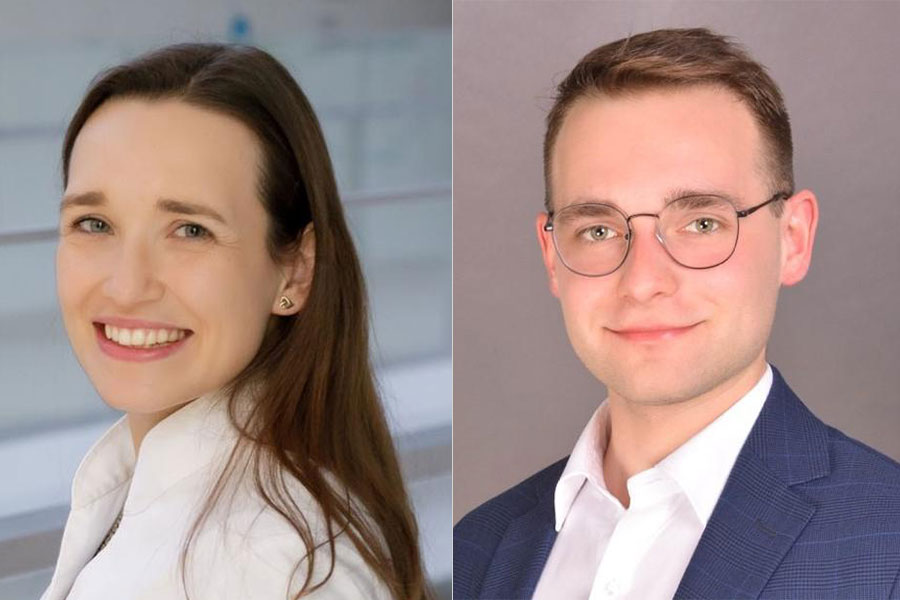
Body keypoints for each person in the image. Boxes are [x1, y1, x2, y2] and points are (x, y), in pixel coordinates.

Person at [454, 28, 900, 599]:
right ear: (551, 256)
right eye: (598, 229)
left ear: (793, 237)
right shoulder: (476, 547)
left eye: (702, 223)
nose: (642, 282)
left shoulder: (886, 544)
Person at [43, 43, 427, 600]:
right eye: (95, 223)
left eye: (190, 230)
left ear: (294, 271)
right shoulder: (147, 490)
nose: (127, 286)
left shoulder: (276, 567)